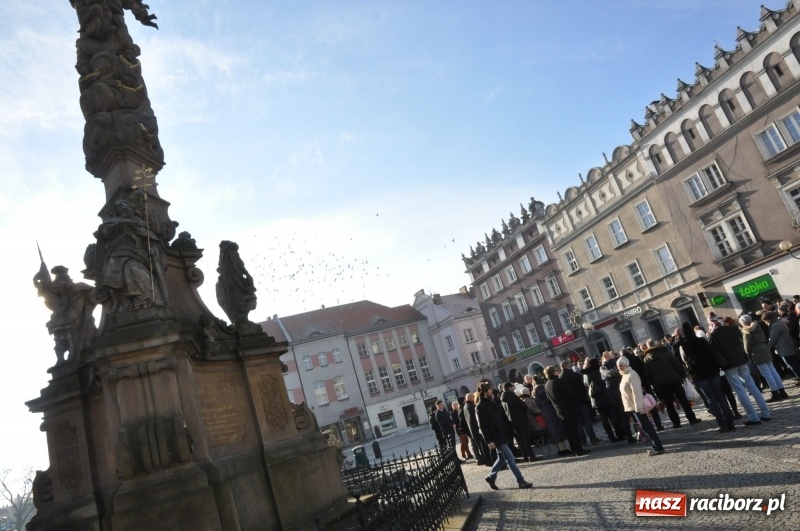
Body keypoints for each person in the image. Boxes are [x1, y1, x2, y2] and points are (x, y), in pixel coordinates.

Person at [708, 314, 772, 426]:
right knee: (753, 387)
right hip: (741, 360)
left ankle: (753, 417)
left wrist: (711, 333)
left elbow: (712, 350)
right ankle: (765, 413)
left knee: (740, 391)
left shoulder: (714, 335)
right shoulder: (733, 329)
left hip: (728, 365)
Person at [475, 382, 533, 490]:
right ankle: (521, 481)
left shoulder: (491, 402)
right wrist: (489, 441)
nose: (492, 391)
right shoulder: (480, 407)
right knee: (510, 458)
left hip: (502, 434)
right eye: (490, 390)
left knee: (501, 458)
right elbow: (482, 426)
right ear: (484, 392)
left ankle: (491, 477)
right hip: (495, 437)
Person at [679, 322, 735, 432]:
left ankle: (722, 424)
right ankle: (730, 422)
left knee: (711, 399)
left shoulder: (683, 346)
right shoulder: (702, 341)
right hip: (712, 370)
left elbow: (684, 361)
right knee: (720, 396)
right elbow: (711, 353)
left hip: (698, 374)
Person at [642, 338, 701, 429]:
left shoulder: (646, 359)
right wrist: (683, 375)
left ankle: (676, 423)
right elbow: (676, 364)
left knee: (669, 405)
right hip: (675, 380)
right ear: (656, 344)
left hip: (660, 385)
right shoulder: (666, 352)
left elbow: (647, 374)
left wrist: (653, 385)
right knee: (683, 400)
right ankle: (692, 419)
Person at [617, 356, 665, 456]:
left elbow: (637, 392)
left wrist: (639, 407)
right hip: (634, 406)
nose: (618, 368)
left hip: (637, 406)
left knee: (646, 427)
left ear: (625, 365)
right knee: (645, 427)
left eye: (620, 365)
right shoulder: (625, 375)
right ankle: (656, 446)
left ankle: (657, 447)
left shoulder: (631, 374)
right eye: (618, 366)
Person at [545, 365, 589, 457]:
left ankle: (574, 449)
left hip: (559, 411)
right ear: (554, 372)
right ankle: (578, 449)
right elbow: (568, 395)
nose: (559, 371)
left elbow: (549, 399)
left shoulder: (547, 384)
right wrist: (574, 402)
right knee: (574, 431)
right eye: (557, 370)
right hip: (568, 409)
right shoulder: (558, 381)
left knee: (569, 432)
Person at [741, 314, 788, 401]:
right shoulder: (757, 326)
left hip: (756, 351)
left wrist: (748, 354)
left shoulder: (746, 331)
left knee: (767, 374)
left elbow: (746, 346)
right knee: (773, 370)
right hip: (765, 348)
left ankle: (775, 394)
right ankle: (782, 391)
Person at [561, 360, 601, 445]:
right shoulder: (575, 375)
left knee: (578, 423)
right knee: (586, 421)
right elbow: (583, 386)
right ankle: (593, 438)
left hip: (571, 404)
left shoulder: (560, 378)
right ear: (568, 366)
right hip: (581, 401)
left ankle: (583, 441)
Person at [584, 357, 623, 442]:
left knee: (604, 419)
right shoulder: (600, 371)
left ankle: (611, 437)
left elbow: (586, 386)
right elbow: (606, 381)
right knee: (613, 417)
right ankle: (619, 434)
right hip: (606, 397)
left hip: (596, 400)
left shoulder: (586, 375)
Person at [501, 383, 540, 462]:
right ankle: (531, 456)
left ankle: (525, 456)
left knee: (520, 440)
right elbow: (523, 406)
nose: (513, 388)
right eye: (512, 387)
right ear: (509, 388)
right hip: (521, 420)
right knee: (526, 438)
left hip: (512, 421)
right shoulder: (512, 396)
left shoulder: (502, 398)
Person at [534, 374, 571, 456]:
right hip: (551, 411)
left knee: (552, 431)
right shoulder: (542, 389)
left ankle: (559, 449)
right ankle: (563, 449)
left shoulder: (535, 391)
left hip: (544, 412)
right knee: (557, 429)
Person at [765, 311, 800, 384]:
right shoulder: (779, 322)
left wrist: (767, 347)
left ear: (768, 319)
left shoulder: (775, 325)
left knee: (791, 364)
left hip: (784, 348)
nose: (765, 323)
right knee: (794, 363)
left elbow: (773, 339)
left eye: (765, 321)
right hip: (788, 346)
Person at [464, 391, 491, 466]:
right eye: (473, 397)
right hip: (476, 430)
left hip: (473, 431)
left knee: (481, 446)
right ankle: (488, 461)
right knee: (483, 447)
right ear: (470, 398)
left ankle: (486, 460)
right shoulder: (471, 407)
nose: (474, 398)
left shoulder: (466, 406)